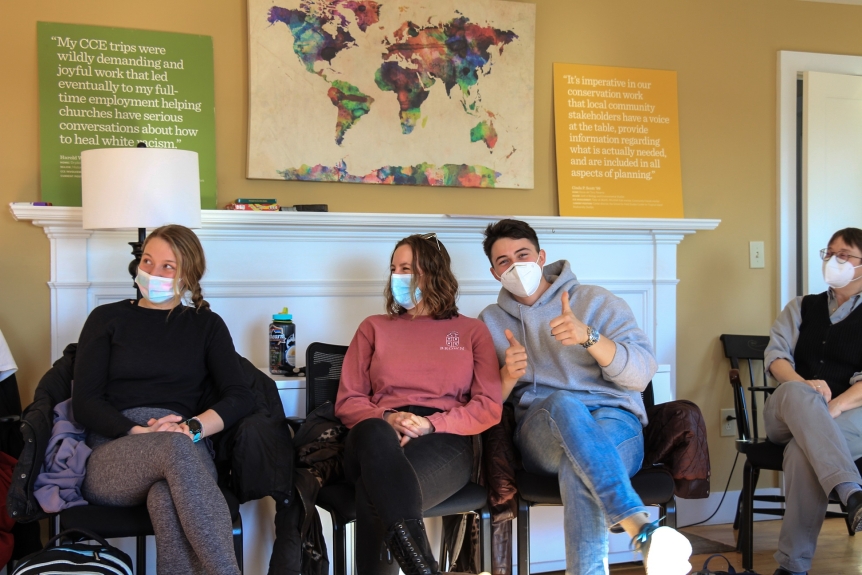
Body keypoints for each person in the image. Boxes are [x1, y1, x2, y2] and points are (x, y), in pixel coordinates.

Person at [477, 219, 692, 575]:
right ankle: (642, 529)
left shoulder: (597, 301)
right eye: (503, 262)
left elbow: (640, 373)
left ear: (541, 256)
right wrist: (506, 375)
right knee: (564, 403)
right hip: (541, 431)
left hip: (614, 422)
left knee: (579, 469)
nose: (514, 266)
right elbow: (485, 404)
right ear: (494, 272)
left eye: (522, 255)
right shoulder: (489, 321)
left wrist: (589, 337)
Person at [73, 225, 255, 575]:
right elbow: (85, 401)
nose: (153, 273)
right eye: (147, 261)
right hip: (115, 452)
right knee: (173, 448)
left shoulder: (206, 325)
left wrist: (193, 428)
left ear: (188, 275)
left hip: (185, 442)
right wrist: (138, 432)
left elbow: (240, 396)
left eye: (168, 266)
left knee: (165, 495)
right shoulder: (106, 319)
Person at [334, 233, 503, 575]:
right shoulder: (373, 328)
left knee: (375, 491)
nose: (398, 276)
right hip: (374, 436)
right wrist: (390, 417)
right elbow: (348, 401)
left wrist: (431, 424)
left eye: (407, 268)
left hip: (445, 439)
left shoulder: (471, 332)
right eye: (394, 268)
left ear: (433, 272)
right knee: (374, 434)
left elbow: (488, 406)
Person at [763, 227, 862, 575]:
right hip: (786, 413)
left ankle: (791, 567)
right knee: (792, 391)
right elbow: (776, 359)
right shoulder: (801, 307)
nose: (834, 260)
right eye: (830, 253)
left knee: (802, 453)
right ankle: (852, 492)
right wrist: (806, 387)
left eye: (845, 254)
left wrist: (832, 407)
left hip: (845, 413)